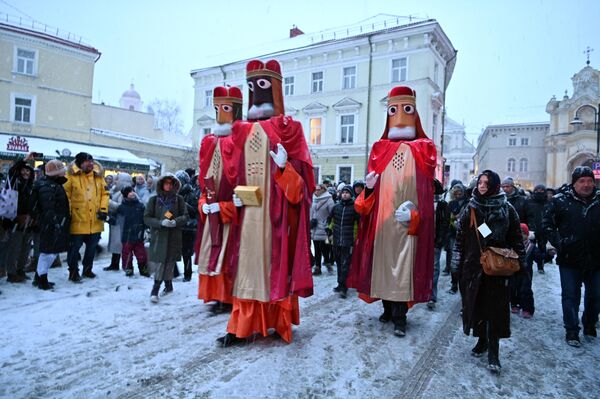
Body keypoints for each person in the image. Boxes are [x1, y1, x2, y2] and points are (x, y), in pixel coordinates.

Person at [217, 59, 314, 346]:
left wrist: (285, 169)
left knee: (273, 271)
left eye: (262, 85)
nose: (256, 94)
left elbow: (302, 190)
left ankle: (274, 321)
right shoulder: (240, 132)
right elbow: (233, 175)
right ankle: (240, 326)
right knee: (246, 270)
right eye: (252, 87)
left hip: (277, 219)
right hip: (248, 218)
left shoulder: (290, 129)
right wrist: (234, 197)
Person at [347, 86, 436, 338]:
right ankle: (387, 309)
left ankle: (400, 317)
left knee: (403, 272)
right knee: (383, 270)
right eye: (393, 110)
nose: (398, 116)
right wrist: (370, 188)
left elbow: (428, 198)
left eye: (405, 109)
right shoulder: (379, 149)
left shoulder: (424, 149)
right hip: (382, 227)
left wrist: (415, 216)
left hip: (408, 226)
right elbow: (364, 205)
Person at [451, 170, 525, 373]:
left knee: (496, 310)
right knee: (476, 306)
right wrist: (456, 263)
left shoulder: (506, 208)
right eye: (480, 182)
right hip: (474, 266)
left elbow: (516, 238)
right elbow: (460, 238)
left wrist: (520, 266)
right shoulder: (471, 207)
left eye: (487, 183)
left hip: (497, 268)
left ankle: (494, 350)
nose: (482, 186)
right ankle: (482, 340)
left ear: (495, 186)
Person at [197, 86, 243, 313]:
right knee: (212, 255)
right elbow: (204, 184)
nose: (220, 114)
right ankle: (216, 295)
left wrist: (224, 207)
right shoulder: (209, 143)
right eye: (217, 108)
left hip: (232, 221)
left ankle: (228, 297)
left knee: (228, 258)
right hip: (213, 216)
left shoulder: (241, 142)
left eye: (225, 108)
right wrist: (204, 204)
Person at [543, 166, 600, 347]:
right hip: (570, 258)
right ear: (574, 183)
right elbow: (547, 224)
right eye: (582, 181)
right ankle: (572, 330)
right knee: (570, 295)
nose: (586, 185)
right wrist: (560, 242)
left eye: (589, 181)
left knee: (596, 295)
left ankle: (589, 322)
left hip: (596, 258)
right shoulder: (560, 201)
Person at [64, 152, 109, 282]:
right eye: (87, 161)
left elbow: (105, 194)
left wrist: (103, 209)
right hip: (77, 220)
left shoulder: (98, 177)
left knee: (91, 248)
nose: (90, 164)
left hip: (95, 220)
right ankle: (73, 271)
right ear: (80, 163)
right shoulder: (70, 176)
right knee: (74, 249)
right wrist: (69, 212)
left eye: (91, 161)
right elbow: (65, 195)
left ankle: (87, 269)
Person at [144, 174, 188, 303]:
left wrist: (176, 222)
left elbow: (185, 216)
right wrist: (160, 223)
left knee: (170, 262)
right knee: (160, 263)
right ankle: (155, 289)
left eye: (171, 183)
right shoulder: (154, 200)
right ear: (161, 184)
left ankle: (168, 286)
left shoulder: (178, 199)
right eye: (166, 183)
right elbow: (146, 218)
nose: (168, 186)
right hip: (159, 237)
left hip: (174, 236)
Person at [29, 160, 70, 290]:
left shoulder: (51, 184)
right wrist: (56, 224)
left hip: (51, 223)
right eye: (62, 170)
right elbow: (49, 209)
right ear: (56, 172)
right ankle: (42, 280)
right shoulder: (49, 186)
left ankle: (39, 277)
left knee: (49, 252)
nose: (64, 172)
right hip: (50, 224)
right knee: (48, 253)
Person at [4, 152, 36, 283]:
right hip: (15, 221)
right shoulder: (14, 183)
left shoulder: (32, 186)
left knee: (26, 248)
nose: (26, 173)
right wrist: (24, 161)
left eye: (28, 171)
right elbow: (13, 170)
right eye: (23, 170)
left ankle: (21, 270)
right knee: (14, 248)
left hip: (29, 222)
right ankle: (11, 273)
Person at [330, 184, 359, 298]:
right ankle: (339, 283)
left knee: (345, 264)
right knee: (338, 263)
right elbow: (331, 220)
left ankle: (344, 287)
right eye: (343, 193)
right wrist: (329, 231)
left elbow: (358, 224)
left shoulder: (355, 208)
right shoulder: (336, 207)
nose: (345, 194)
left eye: (347, 193)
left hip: (348, 240)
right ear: (341, 194)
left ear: (350, 195)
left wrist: (355, 238)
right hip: (336, 240)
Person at [116, 186, 148, 277]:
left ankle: (143, 268)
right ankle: (128, 268)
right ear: (125, 195)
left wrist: (146, 227)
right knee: (127, 254)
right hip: (126, 235)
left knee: (141, 253)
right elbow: (117, 219)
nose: (132, 193)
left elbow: (144, 218)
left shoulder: (140, 205)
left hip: (138, 233)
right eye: (129, 192)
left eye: (133, 191)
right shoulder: (121, 207)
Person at [105, 172, 132, 271]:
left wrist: (108, 202)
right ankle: (114, 263)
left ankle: (115, 264)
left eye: (117, 179)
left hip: (120, 221)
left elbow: (121, 207)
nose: (115, 181)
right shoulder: (116, 190)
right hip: (115, 220)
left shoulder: (124, 192)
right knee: (115, 243)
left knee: (117, 244)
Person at [174, 170, 198, 282]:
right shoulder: (173, 194)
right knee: (171, 250)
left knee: (186, 253)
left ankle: (187, 274)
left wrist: (184, 204)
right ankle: (174, 272)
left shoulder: (191, 194)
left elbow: (195, 211)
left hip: (188, 227)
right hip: (176, 226)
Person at [431, 181, 450, 309]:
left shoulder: (443, 205)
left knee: (434, 269)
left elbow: (445, 224)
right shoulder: (421, 202)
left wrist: (440, 241)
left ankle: (432, 295)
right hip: (421, 242)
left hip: (435, 242)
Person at [446, 182, 468, 292]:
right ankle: (454, 285)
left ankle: (462, 286)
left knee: (464, 263)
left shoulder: (469, 204)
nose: (458, 195)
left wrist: (487, 236)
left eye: (460, 193)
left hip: (466, 236)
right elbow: (447, 220)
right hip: (453, 234)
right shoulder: (451, 204)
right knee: (454, 263)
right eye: (456, 194)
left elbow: (479, 223)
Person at [310, 184, 335, 275]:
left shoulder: (329, 200)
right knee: (316, 247)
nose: (316, 191)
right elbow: (311, 212)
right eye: (315, 189)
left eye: (318, 189)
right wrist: (310, 221)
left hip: (325, 228)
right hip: (315, 228)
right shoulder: (313, 199)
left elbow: (332, 213)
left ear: (324, 190)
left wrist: (329, 225)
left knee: (324, 247)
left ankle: (327, 262)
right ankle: (317, 267)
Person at [525, 184, 548, 274]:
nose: (539, 191)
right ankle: (529, 264)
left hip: (543, 229)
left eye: (541, 190)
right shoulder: (529, 201)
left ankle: (540, 266)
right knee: (531, 248)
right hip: (532, 229)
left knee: (542, 248)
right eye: (537, 190)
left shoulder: (548, 202)